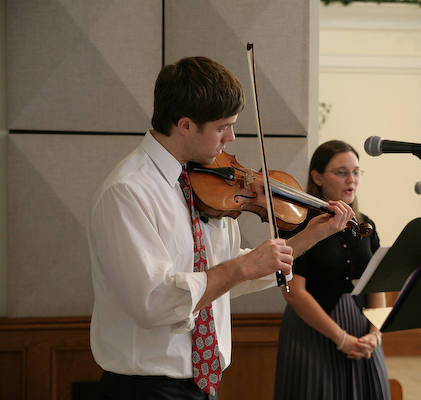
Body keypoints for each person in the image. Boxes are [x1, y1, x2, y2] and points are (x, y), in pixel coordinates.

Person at [87, 56, 354, 400]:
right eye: (222, 126)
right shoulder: (128, 191)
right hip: (146, 389)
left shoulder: (207, 185)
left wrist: (307, 238)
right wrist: (241, 266)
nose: (231, 136)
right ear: (185, 125)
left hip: (204, 384)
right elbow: (151, 302)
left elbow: (225, 278)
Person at [274, 140, 391, 400]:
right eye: (341, 172)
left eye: (356, 172)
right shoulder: (298, 224)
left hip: (363, 335)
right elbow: (294, 292)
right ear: (317, 176)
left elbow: (376, 285)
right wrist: (341, 339)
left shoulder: (366, 225)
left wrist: (375, 334)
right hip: (313, 332)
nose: (351, 179)